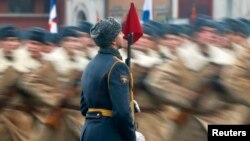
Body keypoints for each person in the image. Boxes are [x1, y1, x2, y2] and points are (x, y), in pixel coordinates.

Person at [80, 17, 144, 141]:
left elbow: (84, 107)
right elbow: (122, 113)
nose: (123, 35)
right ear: (113, 40)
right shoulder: (117, 66)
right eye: (120, 32)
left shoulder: (90, 64)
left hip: (89, 132)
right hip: (109, 134)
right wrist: (132, 137)